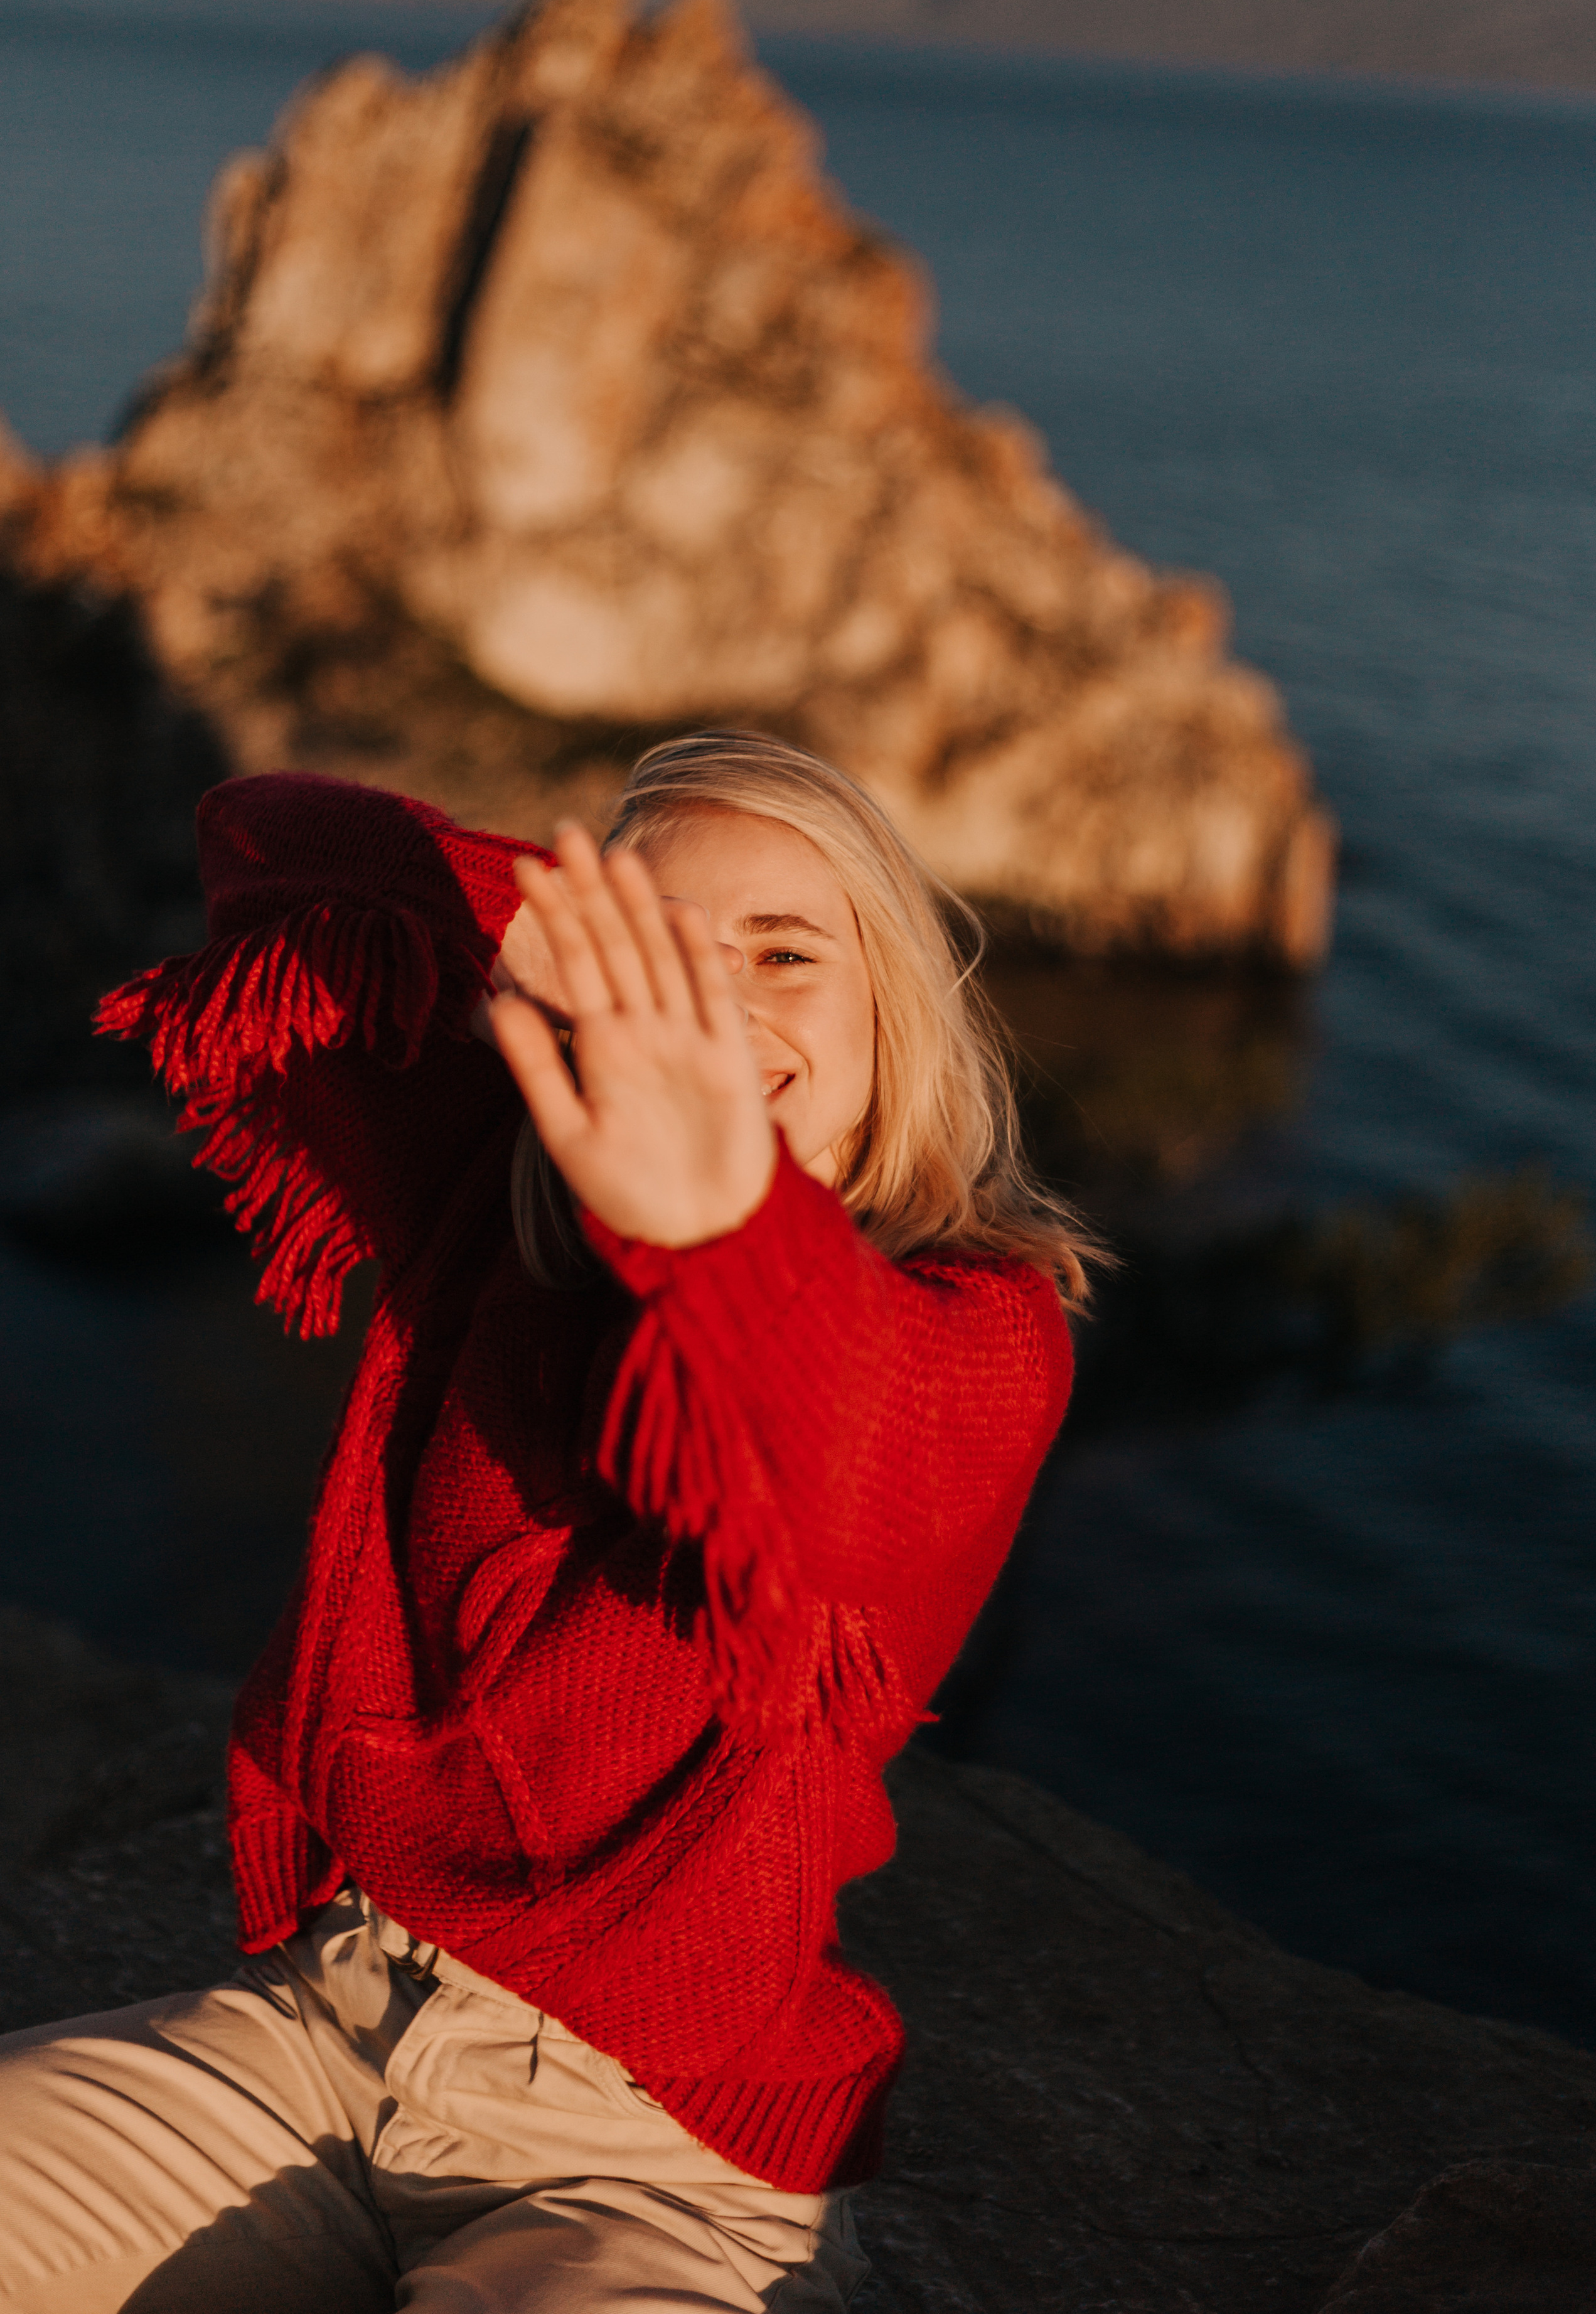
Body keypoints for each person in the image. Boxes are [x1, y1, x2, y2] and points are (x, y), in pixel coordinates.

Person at [0, 730, 1092, 2312]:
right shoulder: (486, 1216)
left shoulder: (976, 1326)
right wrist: (563, 949)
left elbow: (850, 1452)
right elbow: (272, 842)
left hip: (643, 2155)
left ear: (891, 1014)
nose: (710, 1006)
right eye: (660, 958)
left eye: (782, 954)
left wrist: (717, 1214)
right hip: (317, 2035)